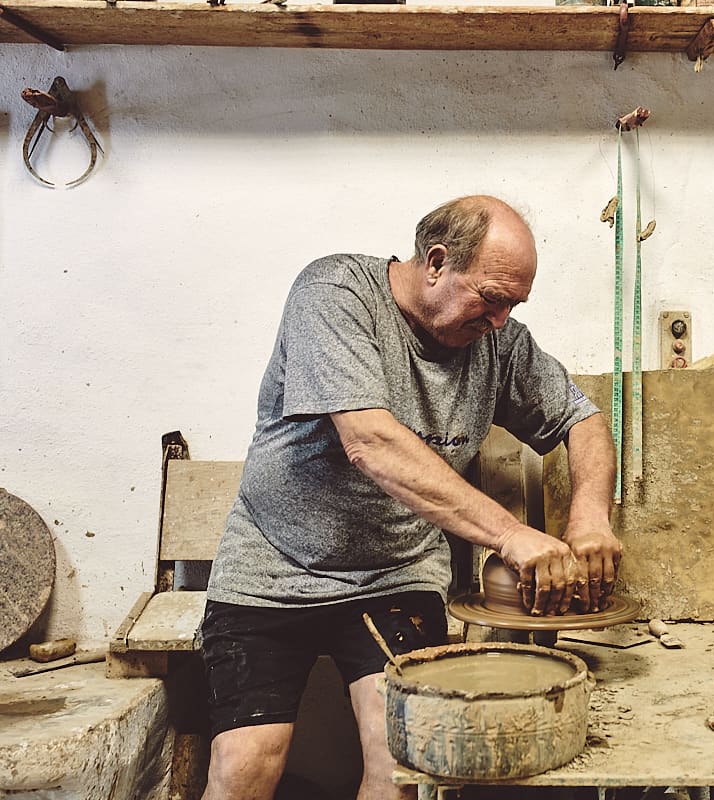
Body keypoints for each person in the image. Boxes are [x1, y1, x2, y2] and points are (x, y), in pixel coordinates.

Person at [199, 195, 622, 800]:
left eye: (514, 304)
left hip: (394, 575)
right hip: (273, 566)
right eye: (491, 298)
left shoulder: (497, 344)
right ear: (437, 262)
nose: (501, 319)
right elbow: (371, 442)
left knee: (401, 766)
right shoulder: (336, 293)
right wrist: (510, 534)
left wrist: (589, 513)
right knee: (247, 765)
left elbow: (583, 420)